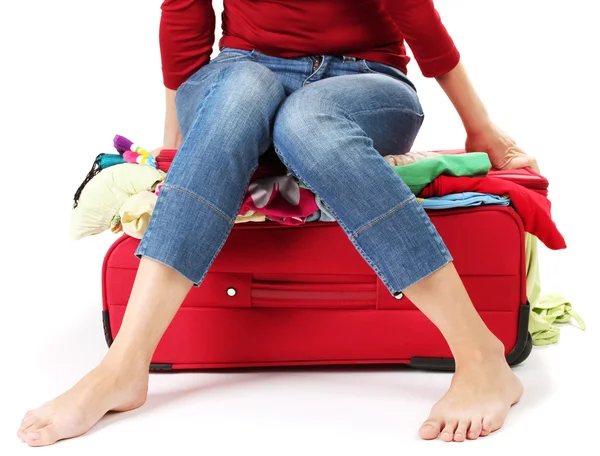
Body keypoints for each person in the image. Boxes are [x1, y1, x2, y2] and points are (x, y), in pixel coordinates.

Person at [18, 0, 538, 447]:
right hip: (238, 77)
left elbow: (414, 13)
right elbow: (184, 13)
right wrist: (177, 155)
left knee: (307, 122)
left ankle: (480, 356)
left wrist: (480, 126)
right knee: (243, 87)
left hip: (364, 81)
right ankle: (122, 367)